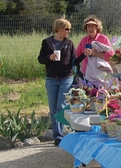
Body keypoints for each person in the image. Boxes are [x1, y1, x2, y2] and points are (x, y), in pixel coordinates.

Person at [37, 18, 75, 146]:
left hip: (66, 78)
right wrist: (49, 57)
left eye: (69, 29)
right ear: (59, 29)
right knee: (53, 109)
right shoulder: (47, 43)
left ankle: (61, 134)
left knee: (61, 106)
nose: (69, 31)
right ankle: (57, 136)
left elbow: (74, 60)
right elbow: (40, 59)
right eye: (67, 29)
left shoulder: (69, 43)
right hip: (51, 79)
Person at [75, 15, 113, 81]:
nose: (90, 29)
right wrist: (84, 54)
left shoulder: (103, 38)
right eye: (88, 27)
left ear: (97, 28)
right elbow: (77, 56)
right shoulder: (84, 40)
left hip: (101, 74)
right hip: (87, 74)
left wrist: (95, 53)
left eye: (92, 26)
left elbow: (111, 56)